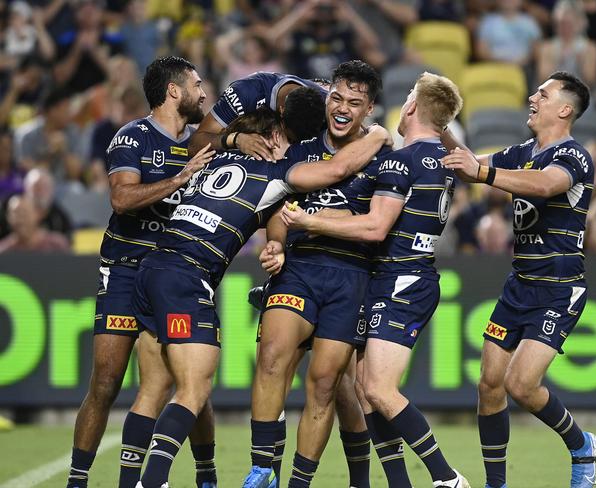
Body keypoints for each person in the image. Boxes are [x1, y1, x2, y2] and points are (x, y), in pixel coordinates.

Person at [130, 107, 392, 488]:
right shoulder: (273, 170)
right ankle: (151, 481)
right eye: (285, 140)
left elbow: (204, 142)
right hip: (187, 275)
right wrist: (377, 137)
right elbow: (335, 171)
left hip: (152, 268)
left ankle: (199, 477)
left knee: (158, 386)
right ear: (269, 139)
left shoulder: (213, 158)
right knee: (195, 388)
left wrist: (274, 243)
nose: (292, 147)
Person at [280, 72, 469, 488]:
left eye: (408, 98)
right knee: (365, 390)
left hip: (402, 278)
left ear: (413, 108)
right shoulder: (448, 158)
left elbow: (375, 228)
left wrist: (311, 221)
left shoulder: (403, 160)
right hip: (399, 277)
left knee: (380, 390)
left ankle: (446, 479)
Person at [440, 71, 596, 488]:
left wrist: (484, 174)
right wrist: (438, 128)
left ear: (564, 109)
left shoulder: (574, 157)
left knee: (521, 384)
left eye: (542, 94)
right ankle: (497, 485)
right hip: (520, 285)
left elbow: (546, 185)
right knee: (490, 384)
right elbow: (473, 165)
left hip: (560, 289)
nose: (532, 97)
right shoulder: (525, 151)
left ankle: (581, 444)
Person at [65, 56, 217, 488]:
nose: (203, 93)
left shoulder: (204, 142)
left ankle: (206, 474)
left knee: (189, 380)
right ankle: (78, 480)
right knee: (107, 380)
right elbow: (122, 199)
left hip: (175, 275)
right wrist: (179, 178)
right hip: (126, 270)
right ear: (174, 91)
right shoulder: (131, 137)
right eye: (197, 84)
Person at [243, 60, 388, 488]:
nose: (342, 109)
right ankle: (262, 469)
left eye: (354, 103)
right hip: (299, 268)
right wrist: (274, 244)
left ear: (369, 108)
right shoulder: (300, 147)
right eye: (337, 98)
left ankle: (299, 482)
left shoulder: (386, 158)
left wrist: (322, 216)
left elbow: (379, 223)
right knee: (272, 355)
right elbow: (276, 213)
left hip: (352, 276)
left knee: (325, 383)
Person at [188, 71, 328, 160]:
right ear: (281, 110)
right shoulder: (246, 93)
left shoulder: (332, 108)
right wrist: (235, 139)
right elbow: (194, 145)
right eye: (290, 138)